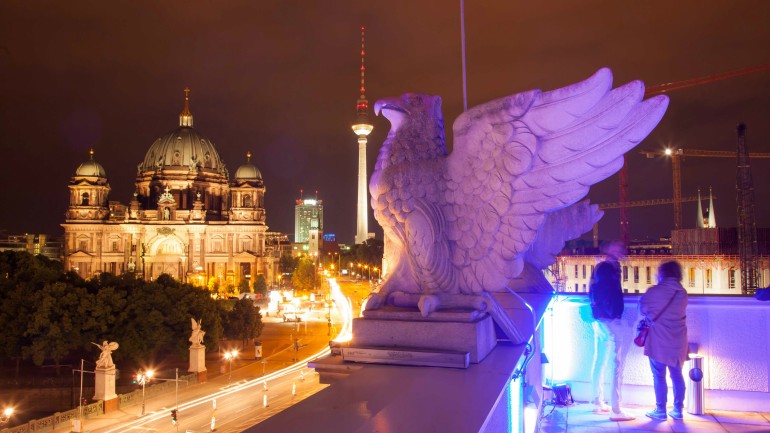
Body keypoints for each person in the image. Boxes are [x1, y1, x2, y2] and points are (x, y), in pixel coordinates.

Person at [589, 240, 635, 421]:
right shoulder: (609, 269)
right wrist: (615, 314)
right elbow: (609, 294)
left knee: (600, 359)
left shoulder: (600, 268)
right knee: (616, 364)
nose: (622, 251)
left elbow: (596, 292)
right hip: (609, 320)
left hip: (599, 319)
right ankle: (616, 410)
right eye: (618, 248)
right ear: (610, 250)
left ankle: (597, 401)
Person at [640, 260, 688, 420]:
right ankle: (678, 409)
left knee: (659, 375)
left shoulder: (653, 291)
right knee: (677, 375)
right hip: (678, 340)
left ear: (661, 273)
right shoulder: (682, 293)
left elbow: (643, 309)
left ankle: (660, 410)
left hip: (658, 340)